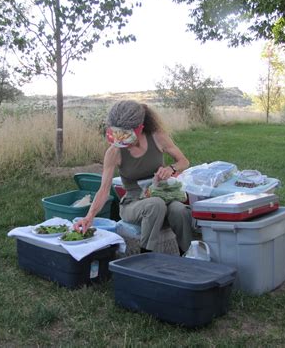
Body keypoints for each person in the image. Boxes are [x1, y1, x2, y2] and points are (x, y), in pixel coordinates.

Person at [74, 100, 195, 254]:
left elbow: (184, 161)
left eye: (127, 135)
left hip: (162, 197)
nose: (122, 140)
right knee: (155, 205)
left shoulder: (157, 137)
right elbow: (104, 190)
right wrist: (89, 217)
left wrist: (170, 169)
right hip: (133, 204)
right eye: (117, 134)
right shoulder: (114, 152)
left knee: (180, 210)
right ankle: (145, 256)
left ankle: (188, 254)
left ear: (140, 128)